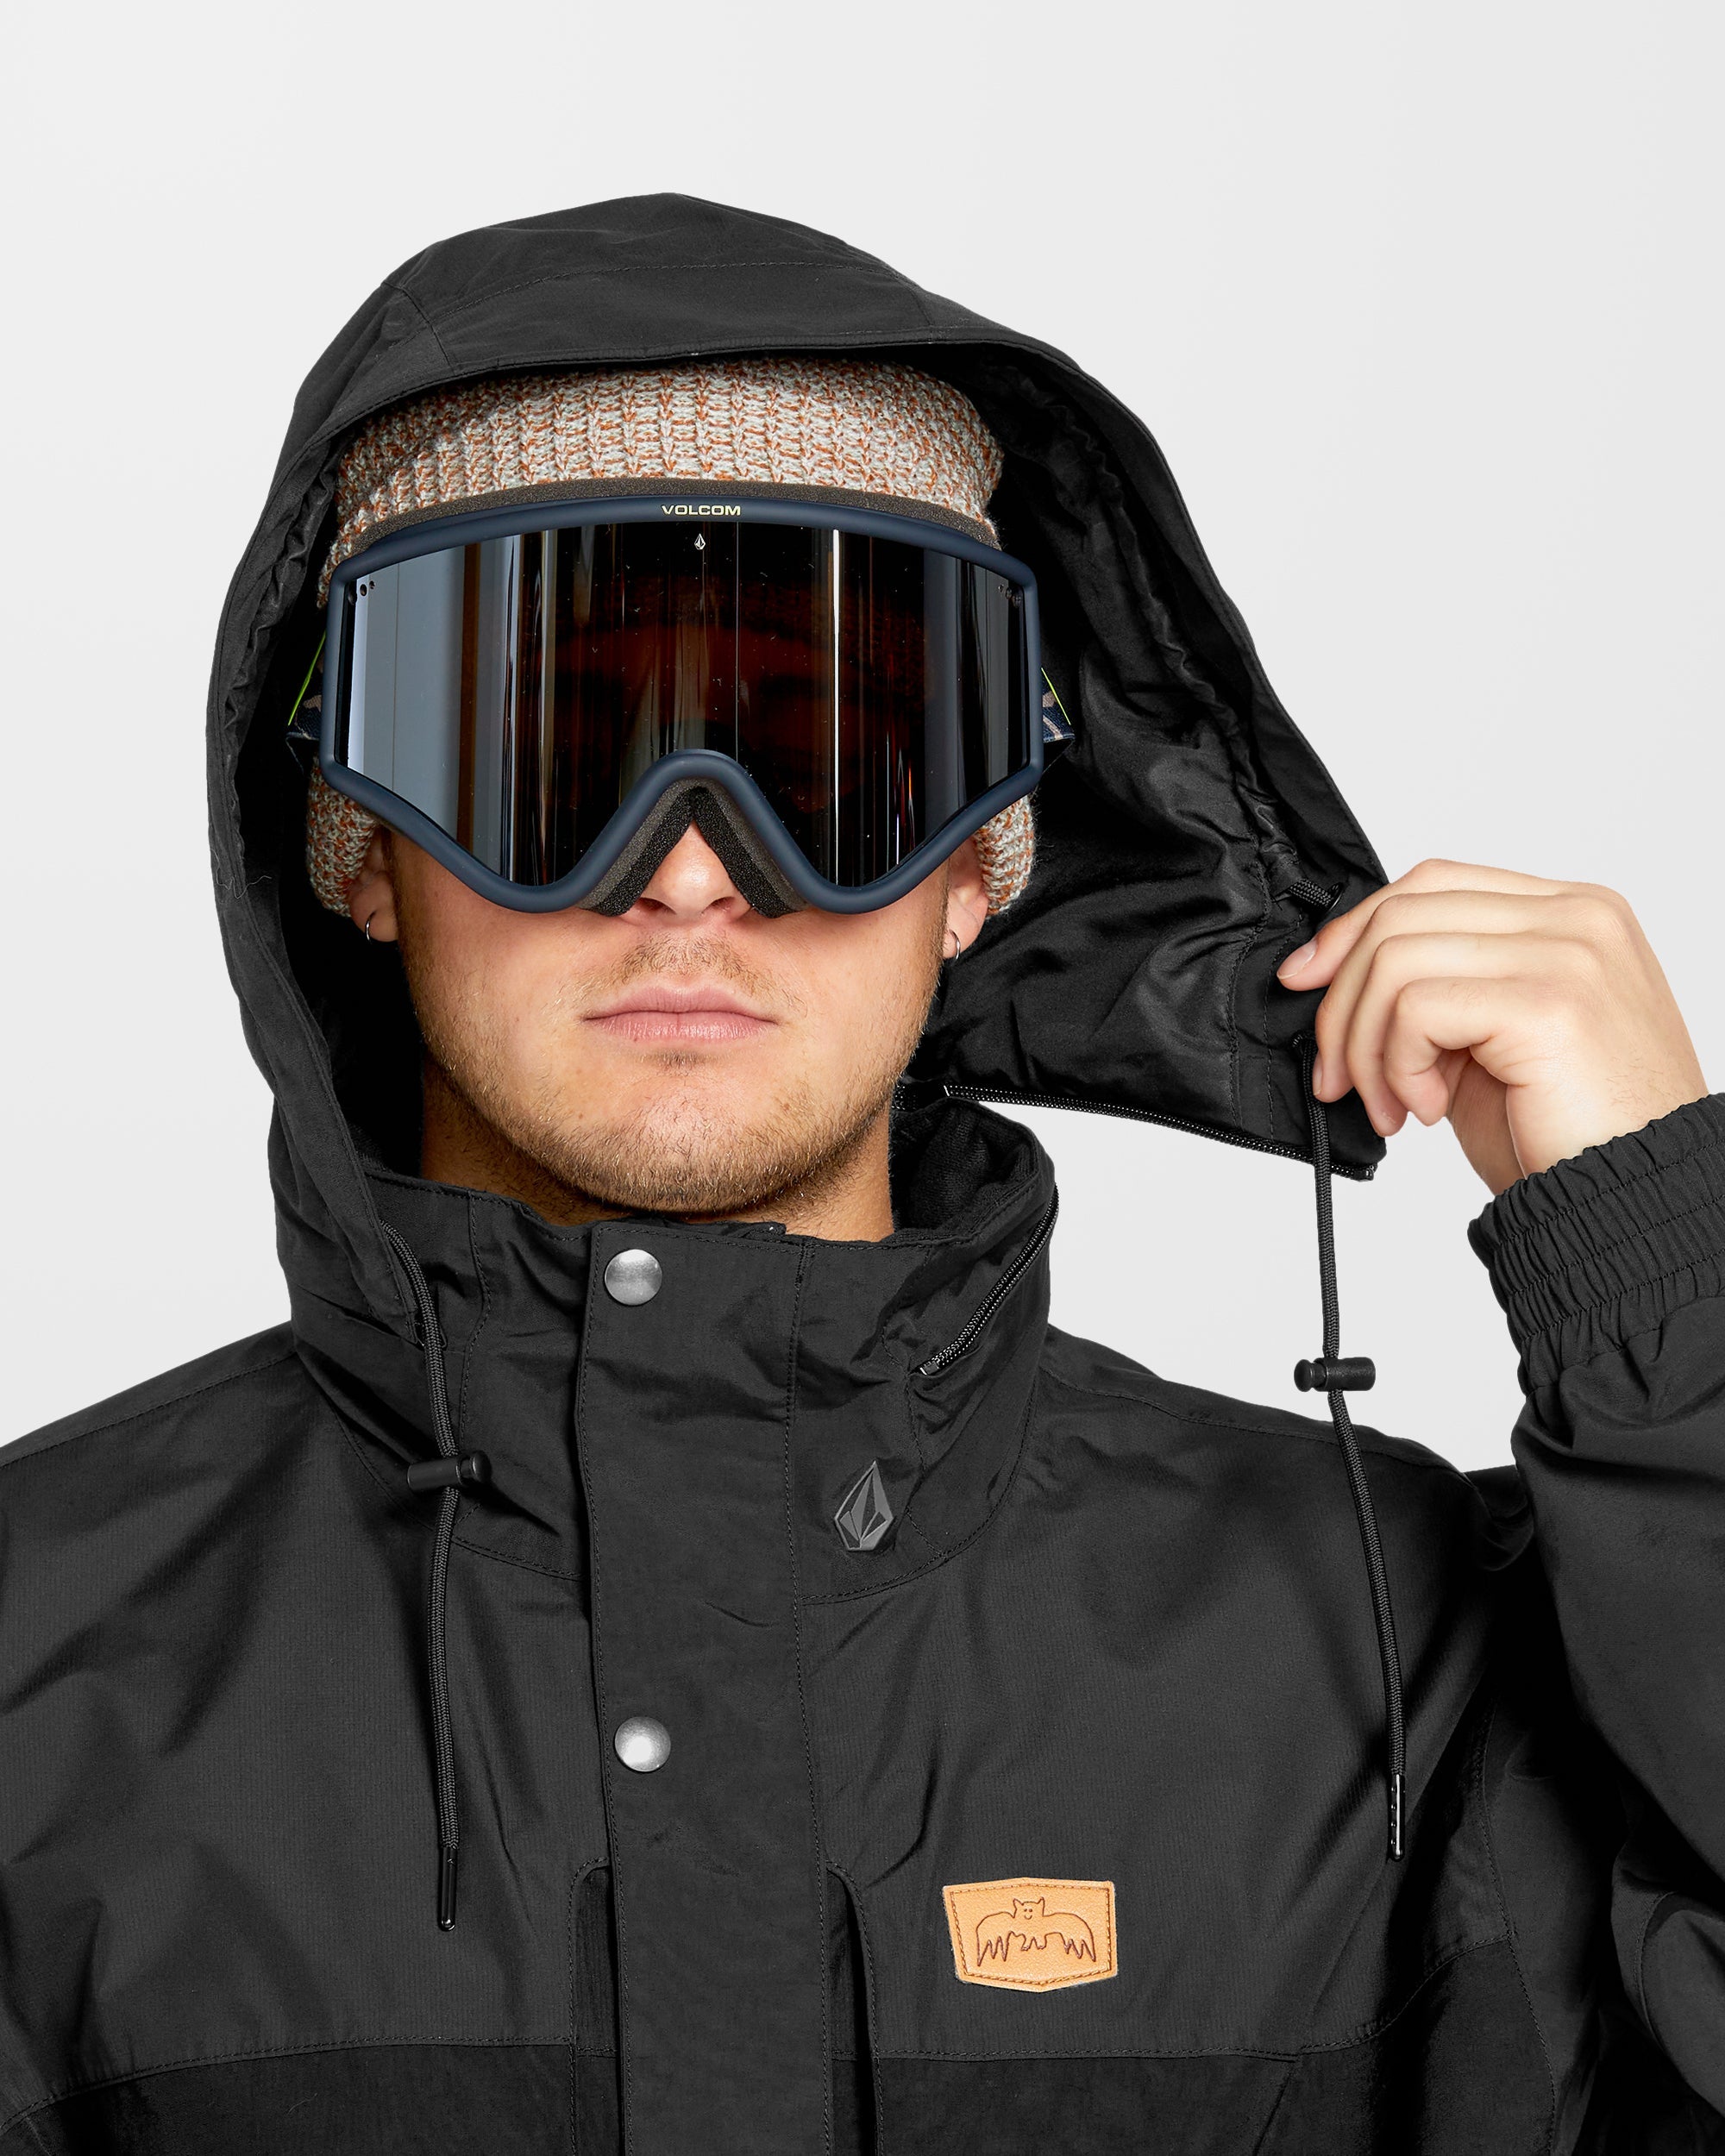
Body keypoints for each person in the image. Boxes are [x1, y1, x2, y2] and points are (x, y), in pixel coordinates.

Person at [1, 194, 1720, 2156]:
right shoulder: (35, 1670)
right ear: (363, 846)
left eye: (823, 754)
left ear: (980, 862)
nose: (687, 866)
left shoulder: (1398, 1669)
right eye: (543, 746)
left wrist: (1667, 1273)